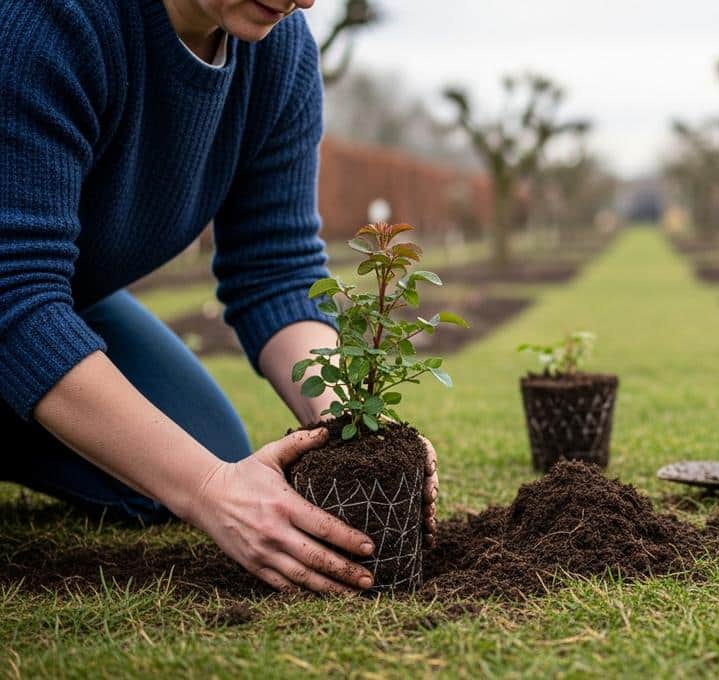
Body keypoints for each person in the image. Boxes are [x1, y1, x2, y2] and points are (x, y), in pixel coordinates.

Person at [0, 0, 437, 594]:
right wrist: (208, 490)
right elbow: (16, 293)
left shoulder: (279, 52)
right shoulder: (51, 19)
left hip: (68, 296)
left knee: (209, 447)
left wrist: (348, 423)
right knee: (194, 472)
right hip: (20, 294)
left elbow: (276, 269)